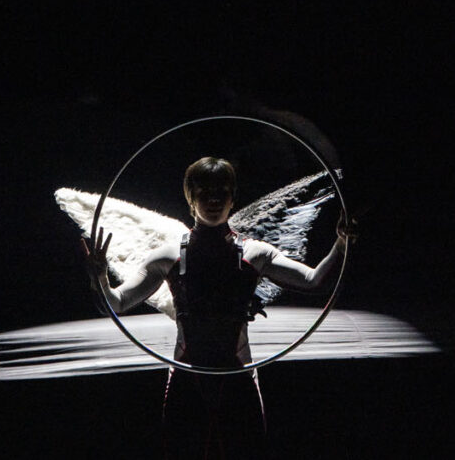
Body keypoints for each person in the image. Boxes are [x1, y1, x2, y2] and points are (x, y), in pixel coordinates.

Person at [82, 156, 356, 459]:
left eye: (221, 191)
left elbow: (315, 280)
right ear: (190, 196)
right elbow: (116, 304)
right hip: (188, 378)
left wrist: (341, 244)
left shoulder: (255, 252)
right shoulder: (168, 256)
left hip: (239, 377)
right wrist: (100, 278)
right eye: (204, 191)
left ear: (233, 196)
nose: (213, 199)